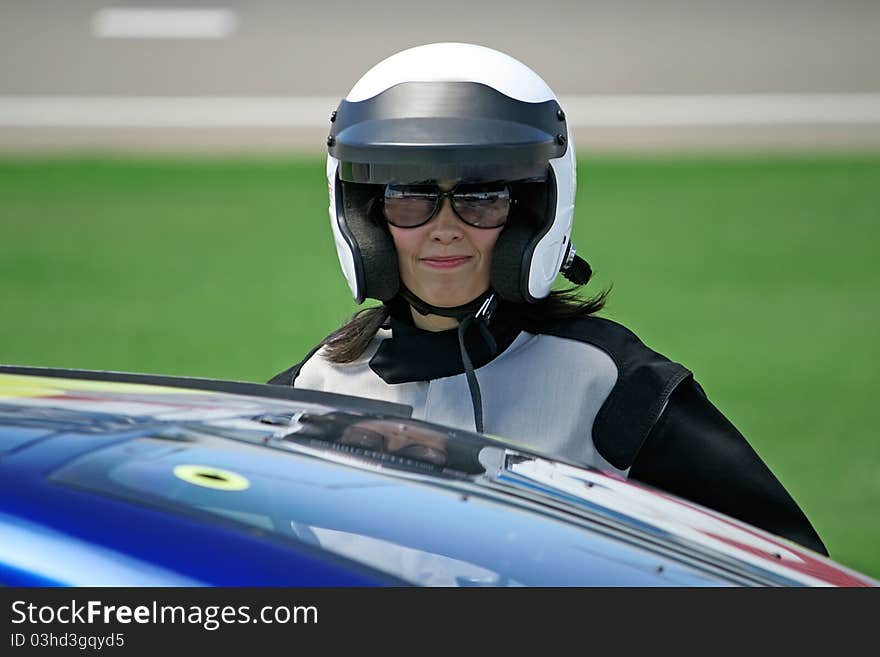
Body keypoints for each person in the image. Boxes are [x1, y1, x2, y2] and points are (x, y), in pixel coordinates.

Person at [269, 43, 827, 555]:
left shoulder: (610, 386)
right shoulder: (320, 383)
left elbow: (791, 568)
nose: (444, 228)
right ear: (366, 218)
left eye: (482, 199)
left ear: (531, 216)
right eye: (410, 197)